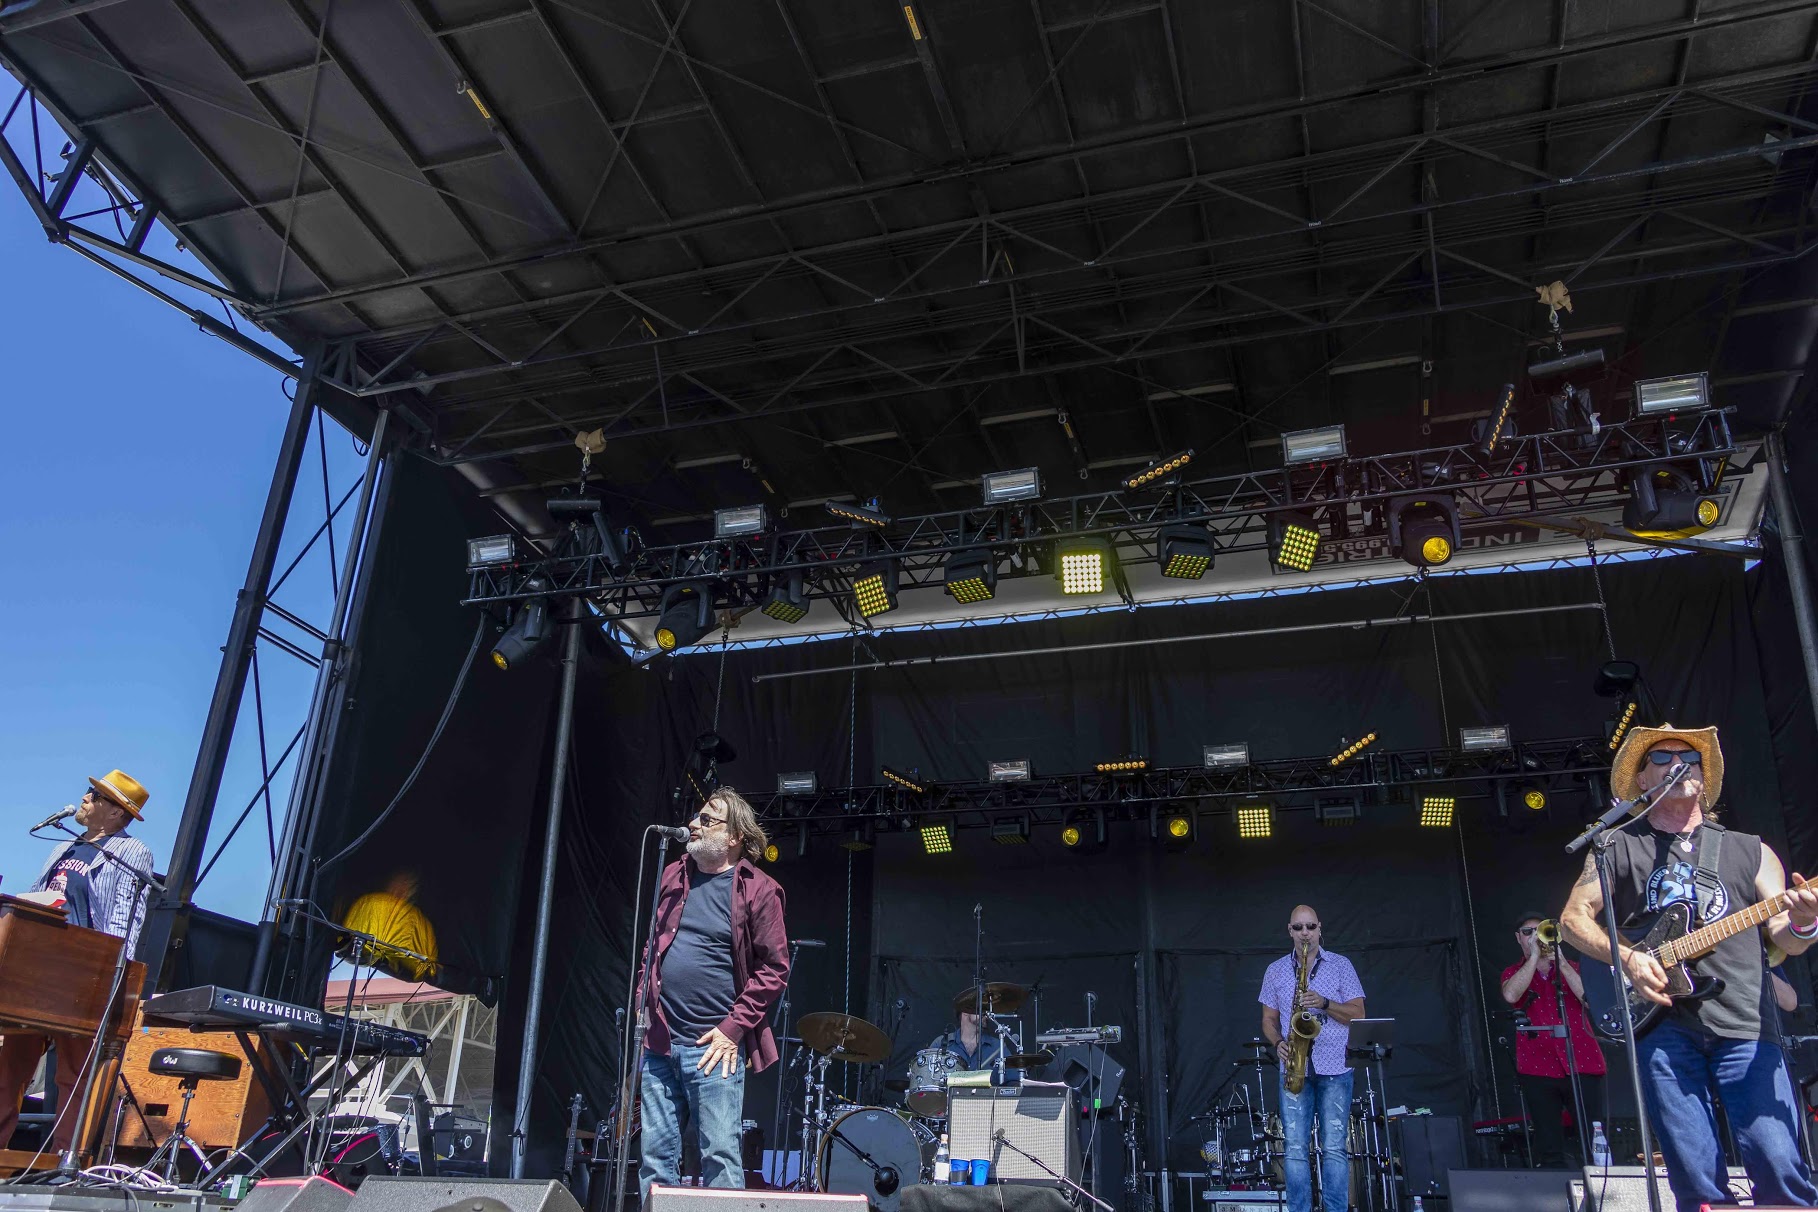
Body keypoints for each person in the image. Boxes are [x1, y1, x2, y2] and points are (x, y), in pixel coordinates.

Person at [1559, 724, 1818, 1212]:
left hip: (1745, 1021)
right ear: (1641, 779)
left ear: (1704, 776)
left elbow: (1787, 938)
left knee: (1778, 1161)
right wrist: (1632, 959)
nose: (1680, 762)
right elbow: (1573, 921)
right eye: (1663, 756)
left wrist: (1805, 921)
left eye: (1690, 757)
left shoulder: (1751, 850)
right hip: (1662, 1027)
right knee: (1694, 1176)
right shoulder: (1617, 846)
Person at [637, 788, 789, 1199]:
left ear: (735, 835)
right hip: (660, 1042)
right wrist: (643, 999)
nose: (694, 825)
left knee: (719, 1158)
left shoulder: (758, 890)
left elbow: (775, 969)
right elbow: (654, 946)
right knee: (654, 1159)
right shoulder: (673, 875)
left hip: (713, 1048)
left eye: (707, 820)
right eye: (696, 816)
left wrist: (732, 1029)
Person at [0, 771, 155, 1152]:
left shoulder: (132, 851)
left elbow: (125, 915)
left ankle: (67, 1159)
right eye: (89, 791)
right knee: (9, 1068)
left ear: (118, 813)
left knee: (75, 1073)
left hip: (85, 973)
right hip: (36, 970)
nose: (85, 798)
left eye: (95, 795)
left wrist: (119, 973)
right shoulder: (61, 848)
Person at [1258, 905, 1366, 1212]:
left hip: (1336, 1067)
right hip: (1294, 1065)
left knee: (1334, 1148)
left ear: (1320, 928)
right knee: (1294, 1150)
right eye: (1299, 927)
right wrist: (1277, 1041)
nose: (1305, 933)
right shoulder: (1275, 970)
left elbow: (1359, 1014)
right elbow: (1268, 1018)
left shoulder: (1341, 965)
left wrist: (1325, 1002)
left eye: (1310, 927)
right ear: (1289, 931)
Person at [1501, 910, 1606, 1168]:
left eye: (1542, 931)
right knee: (1548, 1143)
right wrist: (1535, 956)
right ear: (1518, 938)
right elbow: (1511, 995)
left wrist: (1561, 963)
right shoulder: (1513, 971)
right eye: (1528, 933)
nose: (1535, 937)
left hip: (1582, 1063)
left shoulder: (1576, 969)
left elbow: (1591, 1000)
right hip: (1537, 1067)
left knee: (1594, 1140)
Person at [928, 993, 1006, 1073]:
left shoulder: (998, 1046)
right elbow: (927, 1077)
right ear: (965, 1013)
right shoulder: (940, 1044)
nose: (986, 1014)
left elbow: (1013, 1080)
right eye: (981, 1009)